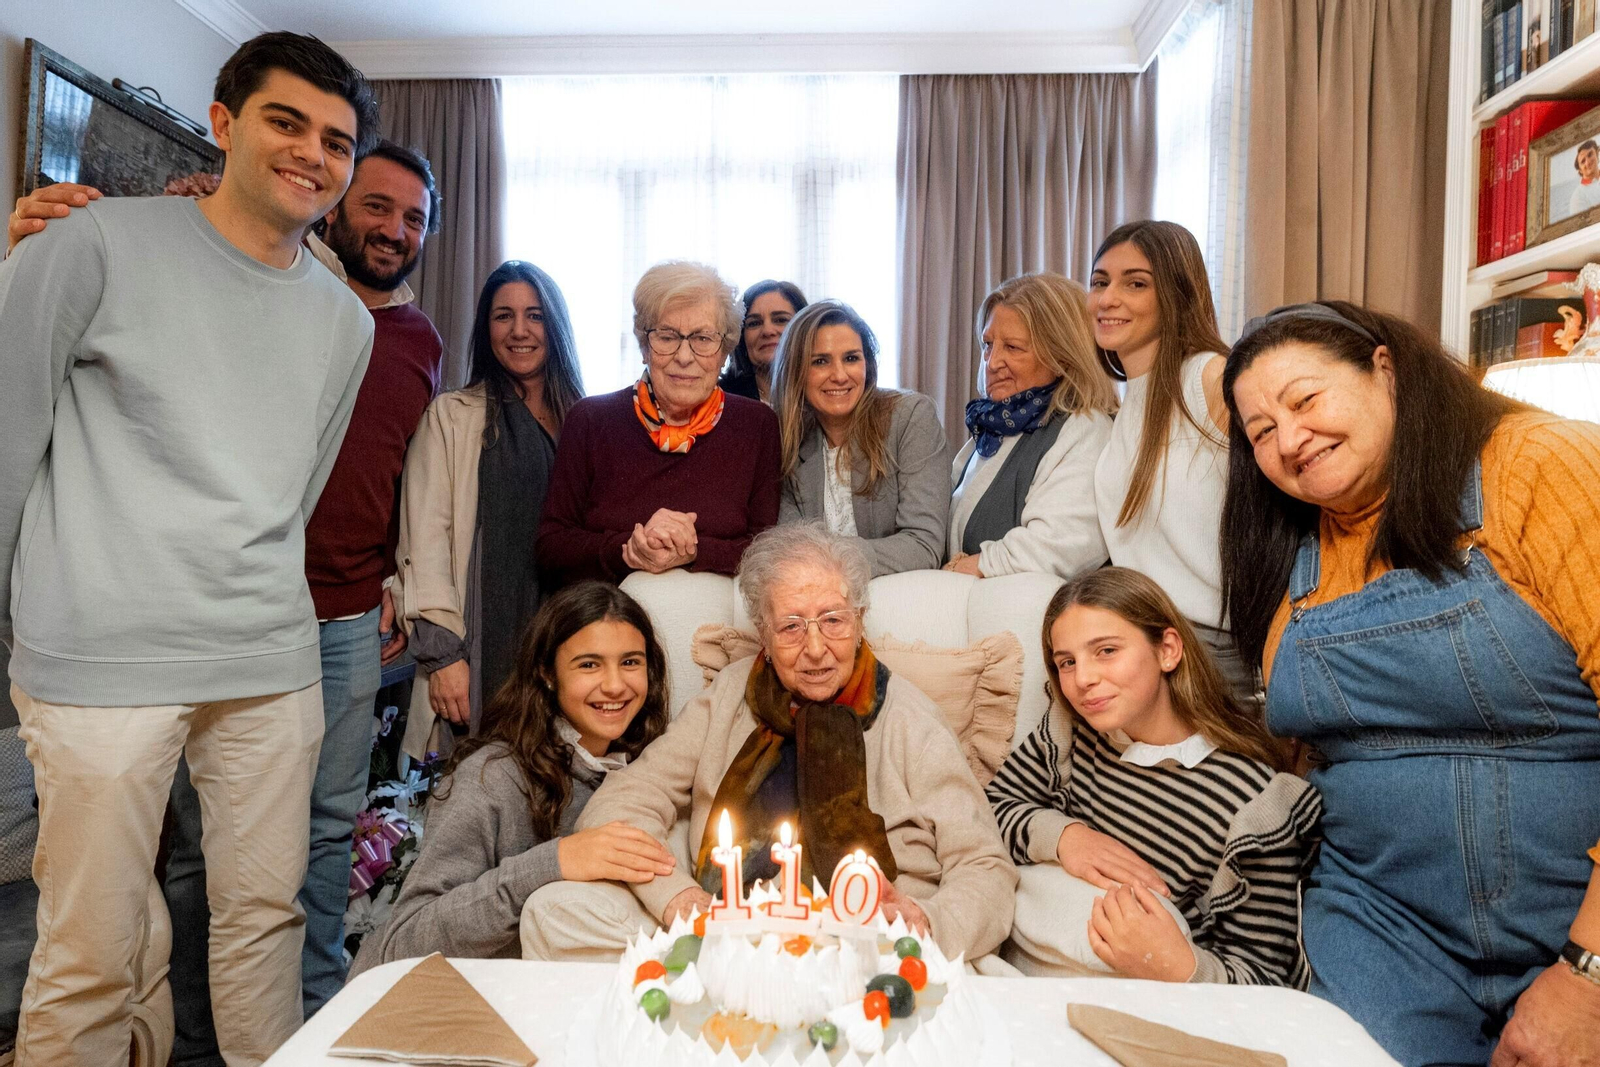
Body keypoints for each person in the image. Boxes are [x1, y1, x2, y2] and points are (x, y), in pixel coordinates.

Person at [10, 140, 451, 1050]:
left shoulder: (399, 338)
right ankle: (188, 1042)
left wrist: (391, 583)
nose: (393, 228)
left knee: (296, 869)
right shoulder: (158, 256)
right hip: (139, 630)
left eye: (413, 218)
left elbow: (361, 478)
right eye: (377, 205)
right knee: (147, 883)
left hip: (320, 625)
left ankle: (304, 1032)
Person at [1221, 301, 1600, 1067]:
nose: (1290, 440)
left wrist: (1586, 977)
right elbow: (1298, 760)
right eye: (1261, 431)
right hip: (1380, 934)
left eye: (1305, 399)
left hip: (1575, 931)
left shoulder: (1539, 462)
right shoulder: (1285, 553)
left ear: (1385, 368)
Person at [521, 523, 1017, 963]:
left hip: (866, 940)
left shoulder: (910, 717)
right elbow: (625, 800)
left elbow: (984, 865)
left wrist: (924, 924)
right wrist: (679, 899)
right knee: (553, 912)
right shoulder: (732, 693)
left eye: (833, 620)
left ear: (860, 619)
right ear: (763, 632)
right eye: (792, 627)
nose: (816, 648)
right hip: (724, 927)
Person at [985, 568, 1319, 986]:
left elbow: (1268, 980)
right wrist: (1065, 837)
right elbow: (986, 811)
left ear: (1168, 650)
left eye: (1106, 651)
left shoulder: (1253, 807)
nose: (1083, 679)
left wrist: (1179, 965)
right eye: (1066, 662)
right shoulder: (1070, 734)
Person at [349, 582, 674, 970]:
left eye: (630, 662)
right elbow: (404, 944)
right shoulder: (490, 779)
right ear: (547, 673)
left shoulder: (654, 768)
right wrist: (554, 863)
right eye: (589, 664)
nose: (615, 685)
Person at [394, 260, 586, 757]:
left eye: (535, 315)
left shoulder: (587, 423)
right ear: (486, 327)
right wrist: (443, 658)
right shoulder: (451, 417)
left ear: (556, 326)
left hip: (569, 644)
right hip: (479, 650)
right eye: (503, 316)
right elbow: (425, 539)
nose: (519, 330)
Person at [536, 261, 782, 585]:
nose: (684, 356)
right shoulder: (590, 420)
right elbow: (550, 547)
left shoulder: (757, 425)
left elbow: (767, 551)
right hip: (605, 615)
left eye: (703, 338)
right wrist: (628, 548)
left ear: (724, 351)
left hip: (719, 622)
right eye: (667, 337)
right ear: (643, 345)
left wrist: (693, 550)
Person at [1088, 220, 1248, 698]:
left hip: (1212, 651)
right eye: (1100, 282)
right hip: (1147, 643)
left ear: (1176, 294)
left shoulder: (1211, 378)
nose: (1107, 298)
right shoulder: (1125, 408)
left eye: (1135, 283)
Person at [946, 272, 1117, 579]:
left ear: (1062, 356)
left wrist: (971, 566)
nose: (992, 362)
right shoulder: (992, 429)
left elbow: (1061, 546)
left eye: (1012, 347)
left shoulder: (1086, 430)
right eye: (988, 344)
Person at [772, 299, 949, 574]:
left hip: (902, 597)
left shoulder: (911, 417)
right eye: (820, 361)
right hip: (817, 601)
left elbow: (924, 545)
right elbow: (789, 549)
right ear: (796, 372)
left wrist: (830, 556)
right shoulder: (789, 441)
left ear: (868, 365)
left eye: (851, 358)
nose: (840, 375)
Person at [720, 279, 807, 402]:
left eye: (781, 320)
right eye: (754, 323)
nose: (767, 331)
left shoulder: (825, 393)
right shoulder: (721, 399)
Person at [1571, 140, 1600, 217]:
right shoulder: (1578, 197)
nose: (1588, 162)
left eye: (1590, 154)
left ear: (1597, 153)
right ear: (1580, 170)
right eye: (1583, 161)